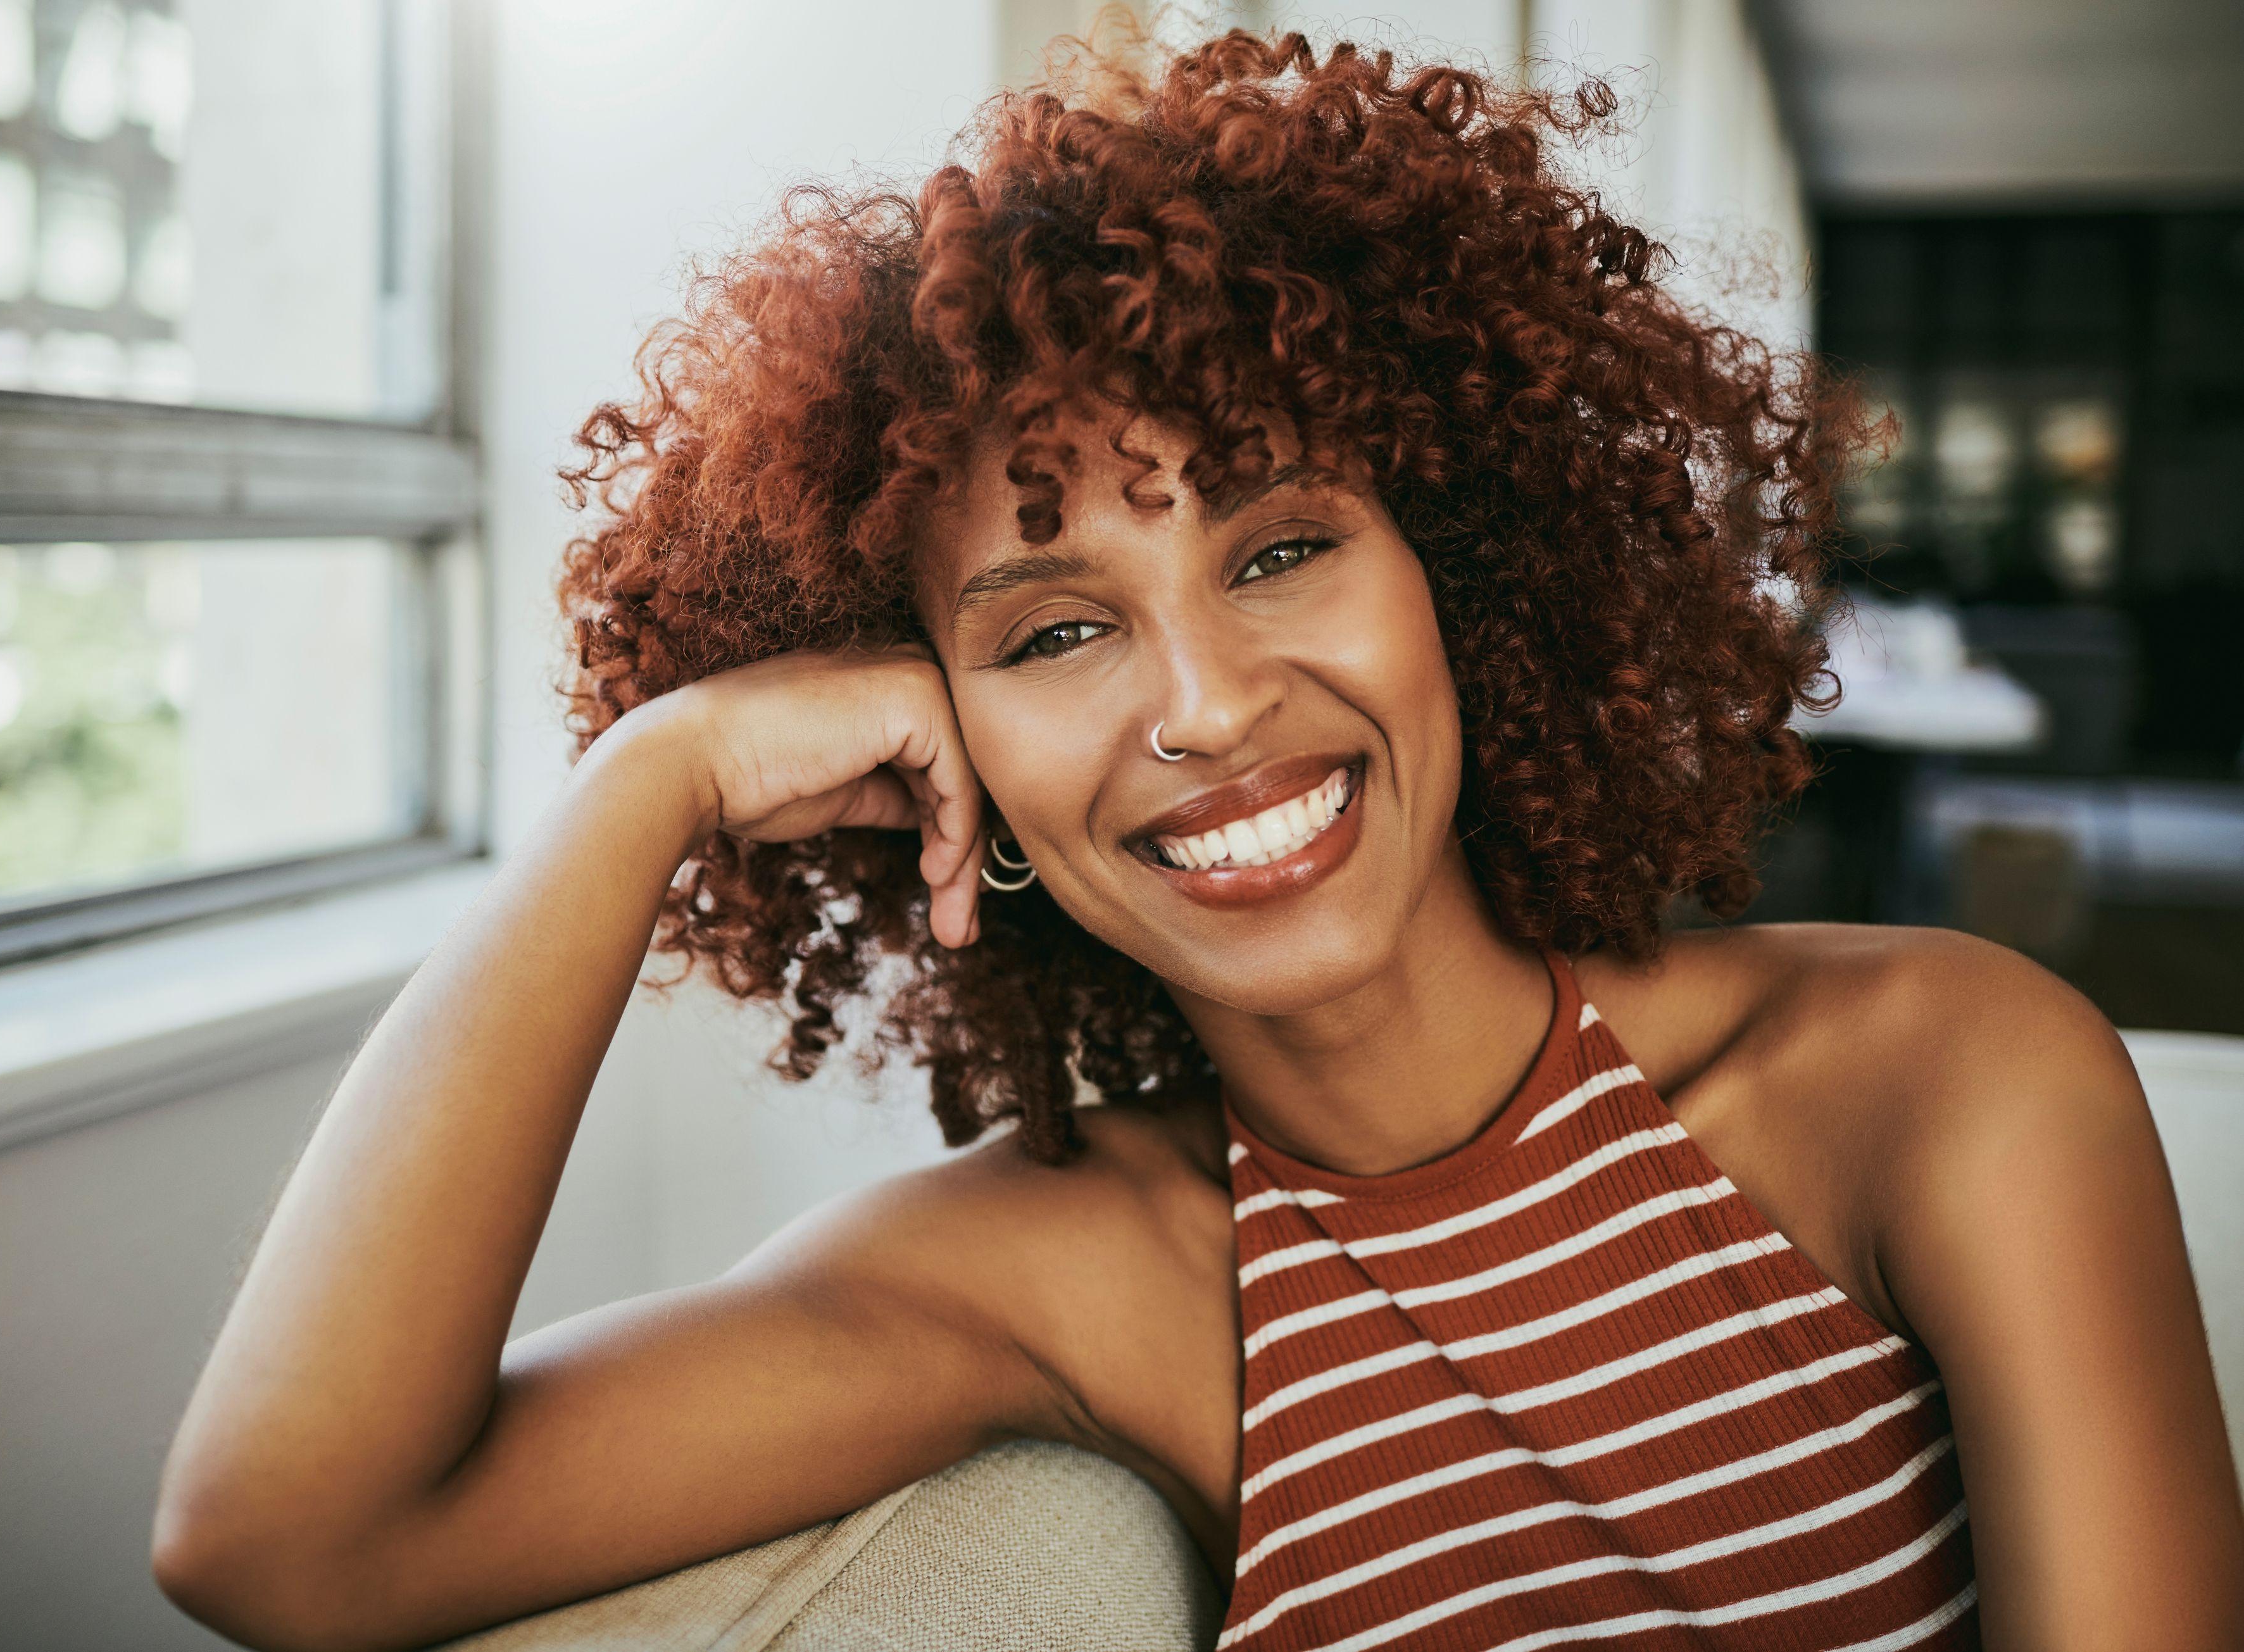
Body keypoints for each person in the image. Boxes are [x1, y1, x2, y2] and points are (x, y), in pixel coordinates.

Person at [150, 22, 2244, 1652]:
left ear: (1468, 576)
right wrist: (650, 786)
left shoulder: (1948, 1073)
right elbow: (289, 1534)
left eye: (1283, 546)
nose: (1208, 707)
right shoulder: (1081, 1274)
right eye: (1056, 630)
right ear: (933, 738)